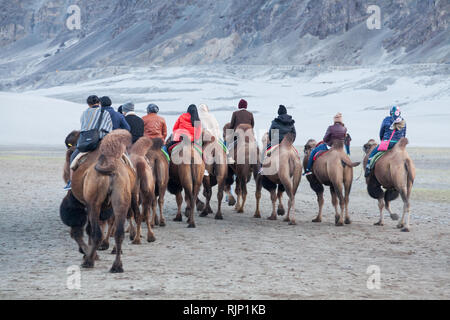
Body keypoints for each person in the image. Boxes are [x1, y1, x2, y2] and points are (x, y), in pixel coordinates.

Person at [63, 95, 113, 190]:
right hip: (101, 142)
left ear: (88, 104)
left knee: (73, 158)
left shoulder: (84, 113)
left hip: (87, 143)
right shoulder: (105, 113)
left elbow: (83, 127)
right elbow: (109, 129)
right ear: (99, 103)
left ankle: (71, 182)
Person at [365, 106, 407, 177]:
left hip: (388, 143)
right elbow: (404, 134)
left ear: (391, 113)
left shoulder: (386, 119)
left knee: (373, 153)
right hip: (399, 145)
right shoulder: (403, 121)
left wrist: (383, 141)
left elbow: (381, 132)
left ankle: (368, 168)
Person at [259, 105, 296, 174]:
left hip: (276, 141)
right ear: (286, 112)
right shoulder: (291, 121)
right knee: (296, 154)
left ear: (278, 113)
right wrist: (290, 142)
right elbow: (294, 133)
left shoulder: (275, 121)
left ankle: (261, 167)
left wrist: (272, 140)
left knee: (265, 151)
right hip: (287, 143)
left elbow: (270, 133)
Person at [227, 99, 255, 164]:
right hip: (248, 136)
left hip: (238, 135)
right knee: (255, 146)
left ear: (239, 106)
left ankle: (229, 158)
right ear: (246, 106)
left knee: (229, 146)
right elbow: (252, 125)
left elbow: (231, 125)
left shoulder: (235, 113)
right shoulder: (250, 114)